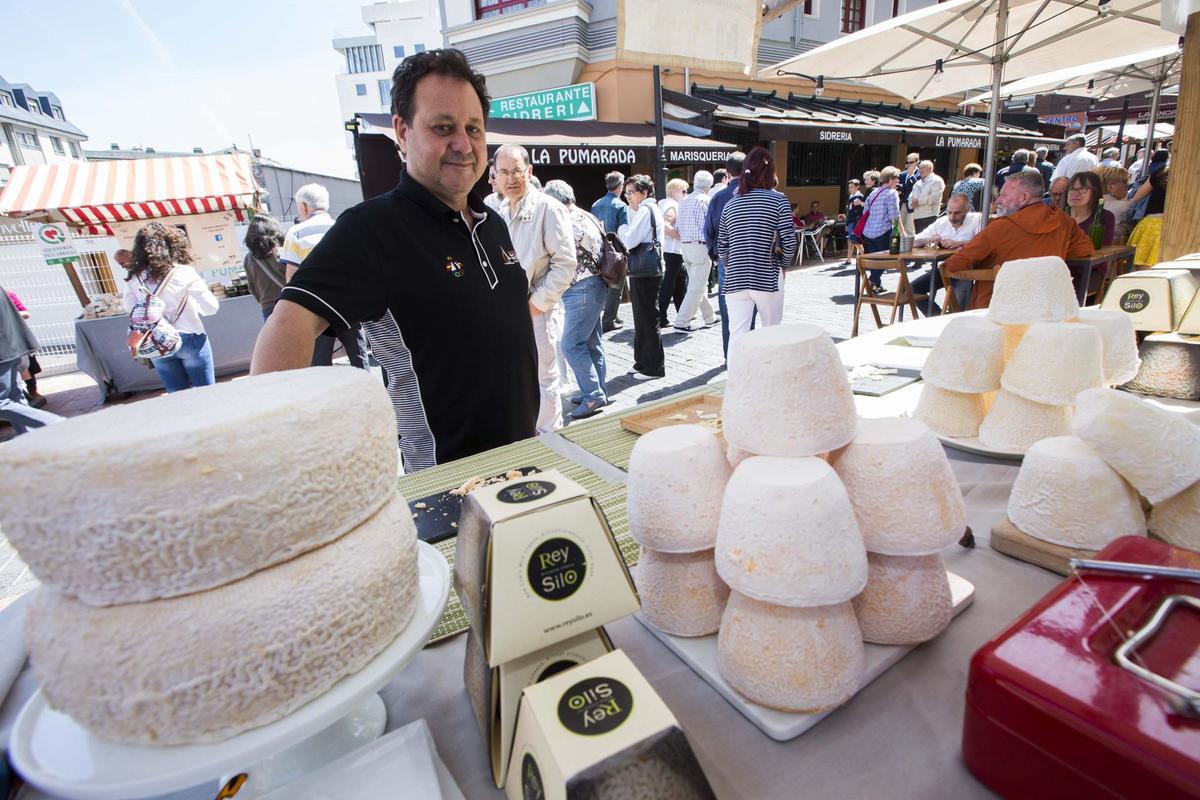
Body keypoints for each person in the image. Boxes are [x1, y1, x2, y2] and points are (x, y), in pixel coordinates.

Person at [250, 48, 538, 473]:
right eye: (443, 127)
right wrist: (272, 460)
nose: (463, 143)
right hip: (449, 481)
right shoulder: (373, 228)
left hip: (523, 457)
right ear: (402, 132)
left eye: (473, 129)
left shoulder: (490, 220)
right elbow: (287, 323)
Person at [495, 143, 575, 434]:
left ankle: (550, 441)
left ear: (529, 171)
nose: (510, 178)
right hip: (505, 313)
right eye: (503, 172)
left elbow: (566, 264)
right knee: (514, 377)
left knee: (545, 378)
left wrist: (537, 304)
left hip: (537, 310)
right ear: (494, 175)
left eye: (516, 170)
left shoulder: (548, 208)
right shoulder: (495, 209)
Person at [944, 171, 1094, 310]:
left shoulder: (1000, 227)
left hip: (995, 308)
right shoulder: (1064, 221)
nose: (999, 200)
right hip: (1045, 308)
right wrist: (1048, 249)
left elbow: (954, 264)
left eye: (1003, 195)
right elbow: (1085, 249)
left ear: (1024, 198)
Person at [123, 221, 219, 393]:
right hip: (190, 335)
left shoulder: (134, 277)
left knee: (177, 396)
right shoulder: (183, 272)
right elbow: (211, 308)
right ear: (172, 244)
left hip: (157, 341)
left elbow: (129, 307)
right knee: (206, 395)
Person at [718, 147, 796, 356]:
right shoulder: (778, 200)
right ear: (770, 172)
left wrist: (731, 266)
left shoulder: (731, 204)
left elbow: (722, 246)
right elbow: (789, 240)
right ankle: (768, 384)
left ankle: (736, 384)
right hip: (767, 275)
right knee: (771, 335)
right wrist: (784, 265)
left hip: (735, 279)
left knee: (737, 337)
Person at [281, 183, 369, 369]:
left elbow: (292, 277)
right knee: (359, 359)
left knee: (320, 365)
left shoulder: (296, 232)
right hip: (351, 304)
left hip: (316, 308)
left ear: (304, 206)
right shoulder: (344, 225)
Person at [542, 180, 608, 420]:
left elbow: (559, 255)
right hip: (596, 284)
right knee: (592, 342)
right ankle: (598, 388)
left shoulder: (564, 220)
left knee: (570, 344)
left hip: (581, 287)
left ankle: (593, 395)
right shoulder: (585, 215)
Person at [618, 174, 666, 378]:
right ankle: (642, 361)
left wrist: (622, 229)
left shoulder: (645, 211)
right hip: (647, 270)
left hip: (644, 271)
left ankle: (653, 366)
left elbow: (629, 241)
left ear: (643, 193)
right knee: (642, 317)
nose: (628, 197)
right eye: (626, 193)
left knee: (646, 318)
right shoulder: (649, 209)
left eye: (631, 192)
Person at [704, 150, 748, 359]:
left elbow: (709, 231)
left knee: (728, 307)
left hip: (726, 258)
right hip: (753, 258)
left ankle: (729, 354)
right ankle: (746, 353)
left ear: (727, 173)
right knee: (750, 308)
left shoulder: (718, 197)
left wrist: (715, 255)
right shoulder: (759, 194)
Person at [908, 193, 983, 314]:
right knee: (912, 289)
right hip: (945, 267)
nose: (952, 217)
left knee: (958, 305)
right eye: (949, 212)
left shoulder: (978, 220)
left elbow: (984, 243)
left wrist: (960, 243)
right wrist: (929, 240)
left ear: (967, 210)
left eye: (957, 213)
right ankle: (937, 318)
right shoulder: (942, 222)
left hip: (967, 270)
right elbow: (914, 242)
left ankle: (953, 320)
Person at [0, 286, 54, 434]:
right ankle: (30, 440)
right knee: (15, 399)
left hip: (4, 351)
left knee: (2, 402)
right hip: (11, 347)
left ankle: (56, 424)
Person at [674, 170, 718, 333]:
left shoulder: (683, 201)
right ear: (709, 186)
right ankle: (681, 321)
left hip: (685, 246)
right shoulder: (707, 200)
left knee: (696, 284)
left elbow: (677, 227)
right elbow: (712, 227)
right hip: (700, 246)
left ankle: (709, 316)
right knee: (697, 287)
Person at [1066, 170, 1116, 296]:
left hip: (1088, 271)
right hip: (1059, 269)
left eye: (1082, 189)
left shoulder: (1104, 217)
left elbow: (1101, 251)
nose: (1075, 193)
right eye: (1072, 189)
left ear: (1094, 192)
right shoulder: (1058, 216)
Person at [591, 171, 629, 332]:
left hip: (599, 247)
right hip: (615, 249)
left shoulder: (596, 204)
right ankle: (609, 319)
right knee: (616, 284)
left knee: (605, 282)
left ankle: (611, 314)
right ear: (620, 186)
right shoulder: (621, 206)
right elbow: (624, 231)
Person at [860, 166, 901, 294]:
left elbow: (865, 211)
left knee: (875, 260)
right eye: (896, 178)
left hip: (869, 232)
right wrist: (899, 233)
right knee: (887, 260)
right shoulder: (891, 193)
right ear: (890, 179)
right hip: (884, 231)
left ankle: (876, 285)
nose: (898, 180)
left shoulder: (873, 192)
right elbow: (894, 216)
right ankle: (872, 281)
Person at [242, 215, 288, 321]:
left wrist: (263, 301)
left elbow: (252, 288)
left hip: (268, 308)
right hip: (291, 303)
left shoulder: (249, 258)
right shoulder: (283, 251)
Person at [4, 290, 45, 408]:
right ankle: (19, 395)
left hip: (16, 336)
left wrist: (11, 315)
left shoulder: (8, 295)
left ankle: (32, 391)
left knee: (27, 365)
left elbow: (25, 313)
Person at [657, 178, 689, 329]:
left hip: (671, 250)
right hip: (673, 250)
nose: (685, 193)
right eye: (683, 191)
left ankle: (681, 315)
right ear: (674, 191)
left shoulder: (664, 203)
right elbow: (665, 224)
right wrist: (678, 235)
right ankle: (661, 316)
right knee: (670, 285)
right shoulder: (672, 205)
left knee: (678, 284)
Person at [1128, 166, 1169, 267]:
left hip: (1150, 226)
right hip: (1176, 228)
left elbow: (1137, 197)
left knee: (1140, 273)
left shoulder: (1162, 171)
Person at [1095, 165, 1132, 242]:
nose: (1127, 185)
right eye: (1124, 182)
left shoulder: (1092, 202)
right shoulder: (1125, 206)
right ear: (1111, 186)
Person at [908, 160, 945, 233]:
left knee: (927, 240)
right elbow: (911, 197)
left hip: (929, 215)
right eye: (920, 167)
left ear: (930, 169)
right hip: (917, 216)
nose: (920, 169)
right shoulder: (918, 183)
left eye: (923, 167)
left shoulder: (936, 181)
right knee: (919, 238)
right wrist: (911, 203)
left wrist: (918, 201)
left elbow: (935, 198)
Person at [842, 178, 866, 266]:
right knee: (850, 241)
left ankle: (865, 256)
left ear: (857, 187)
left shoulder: (859, 197)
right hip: (851, 221)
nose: (850, 189)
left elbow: (860, 212)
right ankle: (848, 259)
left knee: (855, 240)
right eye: (849, 187)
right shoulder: (851, 197)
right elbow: (849, 212)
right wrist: (847, 223)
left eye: (852, 187)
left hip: (855, 221)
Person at [897, 153, 920, 235]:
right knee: (899, 227)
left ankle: (908, 247)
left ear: (917, 162)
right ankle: (899, 247)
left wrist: (911, 175)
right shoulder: (902, 174)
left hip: (912, 205)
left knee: (909, 228)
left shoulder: (919, 174)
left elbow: (918, 186)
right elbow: (899, 187)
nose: (909, 164)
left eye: (911, 162)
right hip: (902, 203)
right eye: (907, 163)